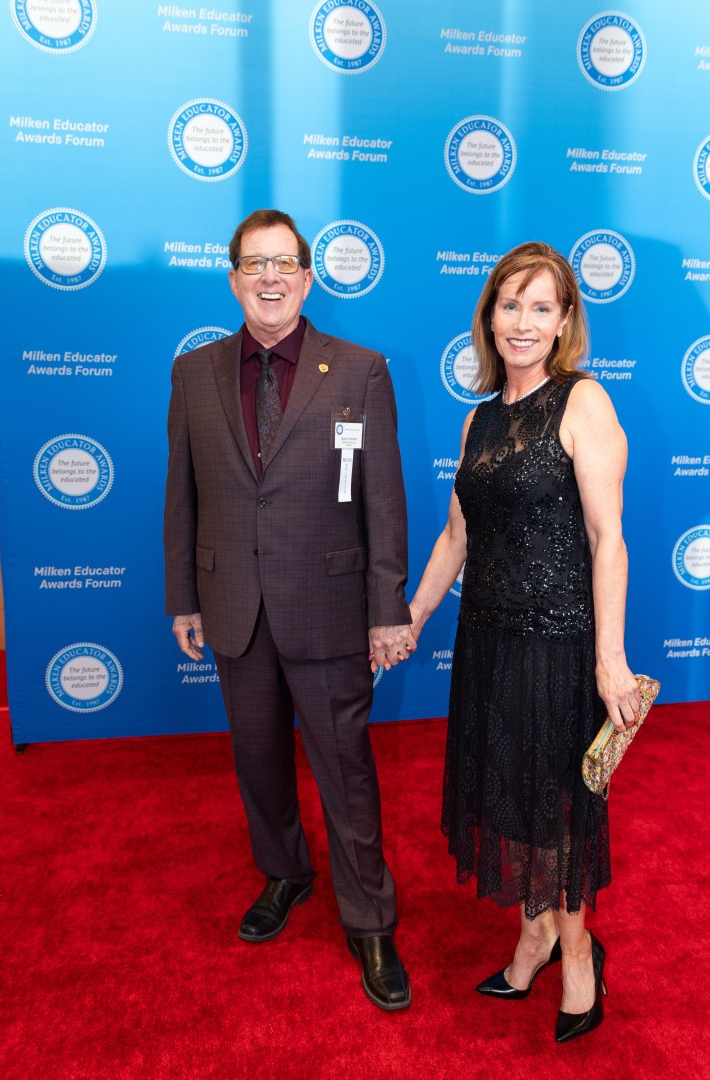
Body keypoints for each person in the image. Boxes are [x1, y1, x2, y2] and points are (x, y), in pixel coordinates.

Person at [164, 209, 415, 1011]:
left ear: (307, 279)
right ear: (233, 278)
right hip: (232, 604)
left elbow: (383, 499)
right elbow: (182, 493)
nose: (269, 278)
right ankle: (284, 873)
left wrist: (387, 608)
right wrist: (183, 596)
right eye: (254, 264)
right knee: (258, 759)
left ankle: (369, 918)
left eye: (284, 264)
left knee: (345, 769)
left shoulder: (359, 370)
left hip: (331, 606)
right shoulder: (194, 373)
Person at [409, 241, 640, 1042]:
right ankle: (534, 933)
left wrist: (610, 658)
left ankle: (577, 955)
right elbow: (456, 537)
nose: (522, 322)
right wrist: (413, 618)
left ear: (565, 320)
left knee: (557, 806)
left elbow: (609, 540)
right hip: (488, 642)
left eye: (541, 307)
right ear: (489, 317)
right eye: (510, 304)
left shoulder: (583, 402)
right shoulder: (478, 418)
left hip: (559, 647)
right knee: (507, 792)